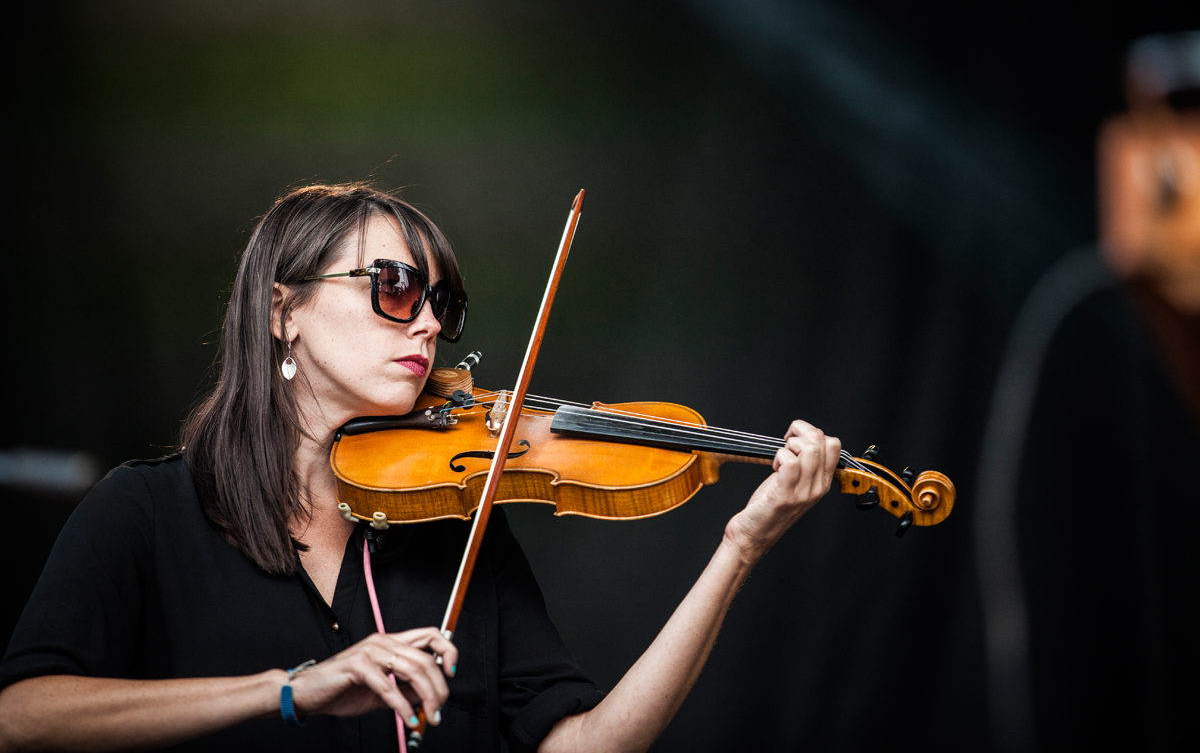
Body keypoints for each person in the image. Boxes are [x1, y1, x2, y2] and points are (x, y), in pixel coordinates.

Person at [0, 183, 839, 752]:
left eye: (443, 304)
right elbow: (21, 717)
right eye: (395, 288)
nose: (430, 325)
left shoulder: (459, 521)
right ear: (281, 311)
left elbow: (585, 744)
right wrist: (288, 690)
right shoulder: (146, 515)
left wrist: (739, 549)